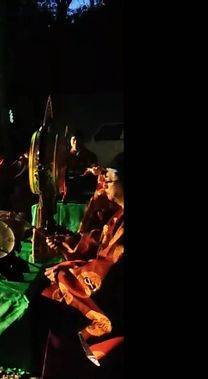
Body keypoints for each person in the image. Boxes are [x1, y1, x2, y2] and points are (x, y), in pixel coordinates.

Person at [42, 153, 124, 366]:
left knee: (52, 300)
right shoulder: (119, 214)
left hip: (116, 300)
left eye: (109, 180)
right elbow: (100, 247)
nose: (104, 185)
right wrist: (70, 245)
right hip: (110, 284)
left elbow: (108, 270)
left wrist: (64, 274)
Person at [64, 131, 99, 203]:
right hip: (66, 184)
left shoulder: (90, 156)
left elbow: (93, 170)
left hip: (82, 184)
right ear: (70, 141)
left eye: (78, 140)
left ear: (82, 141)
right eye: (73, 140)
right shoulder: (64, 155)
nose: (75, 142)